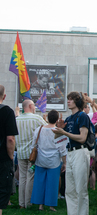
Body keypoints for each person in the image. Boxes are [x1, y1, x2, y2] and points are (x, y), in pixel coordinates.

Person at [52, 92, 91, 215]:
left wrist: (64, 133)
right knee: (70, 190)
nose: (68, 101)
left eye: (71, 99)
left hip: (80, 152)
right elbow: (58, 139)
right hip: (70, 153)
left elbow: (82, 138)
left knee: (81, 189)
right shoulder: (68, 119)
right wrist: (59, 129)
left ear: (77, 102)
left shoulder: (83, 116)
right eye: (68, 99)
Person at [30, 110, 67, 212]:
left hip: (40, 159)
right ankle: (51, 205)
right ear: (56, 119)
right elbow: (62, 150)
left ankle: (40, 205)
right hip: (54, 161)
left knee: (39, 182)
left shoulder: (39, 129)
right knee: (53, 184)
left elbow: (33, 144)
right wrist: (65, 162)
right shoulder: (58, 131)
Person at [16, 99, 47, 209]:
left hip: (20, 152)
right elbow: (48, 129)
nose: (35, 108)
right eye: (34, 105)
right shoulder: (36, 118)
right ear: (30, 106)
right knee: (30, 177)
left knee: (22, 177)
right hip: (32, 154)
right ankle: (28, 203)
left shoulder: (17, 119)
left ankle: (21, 203)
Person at [0, 85, 18, 215]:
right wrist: (11, 156)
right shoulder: (7, 111)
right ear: (4, 96)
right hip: (2, 159)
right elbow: (10, 139)